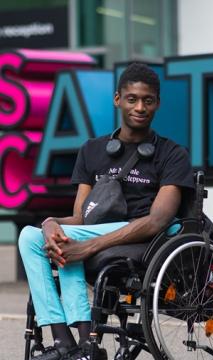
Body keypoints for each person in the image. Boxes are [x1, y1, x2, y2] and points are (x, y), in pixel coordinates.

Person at [18, 62, 194, 360]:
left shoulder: (172, 154)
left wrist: (88, 246)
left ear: (157, 104)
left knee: (65, 241)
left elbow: (158, 220)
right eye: (132, 99)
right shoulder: (92, 150)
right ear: (117, 99)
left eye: (148, 100)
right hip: (92, 230)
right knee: (29, 235)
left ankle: (87, 343)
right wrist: (49, 223)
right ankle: (66, 341)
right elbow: (80, 218)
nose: (140, 107)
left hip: (147, 238)